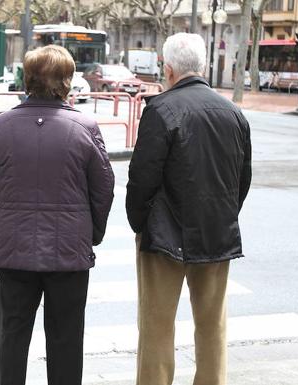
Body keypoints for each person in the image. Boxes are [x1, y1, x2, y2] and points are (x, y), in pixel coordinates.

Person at [0, 45, 115, 385]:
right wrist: (93, 232)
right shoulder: (85, 127)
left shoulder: (2, 125)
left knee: (12, 333)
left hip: (13, 249)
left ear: (28, 79)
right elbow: (103, 187)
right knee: (65, 337)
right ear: (66, 82)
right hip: (69, 252)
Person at [126, 33, 252, 385]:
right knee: (212, 326)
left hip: (164, 235)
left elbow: (141, 179)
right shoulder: (234, 114)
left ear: (167, 70)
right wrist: (224, 215)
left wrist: (140, 223)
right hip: (216, 233)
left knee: (156, 326)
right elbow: (242, 180)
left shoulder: (161, 110)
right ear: (204, 66)